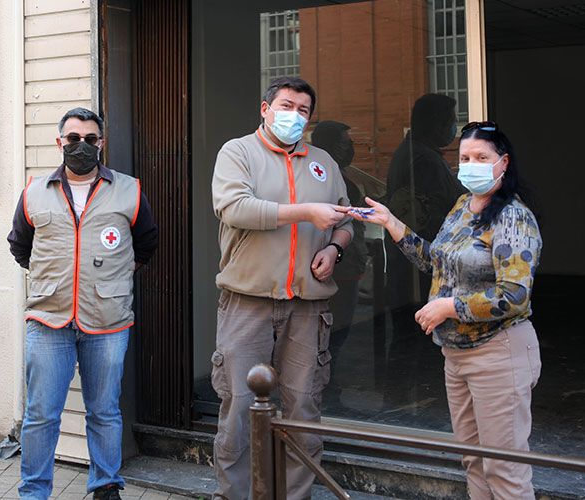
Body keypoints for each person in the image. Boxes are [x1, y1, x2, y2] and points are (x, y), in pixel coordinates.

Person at [349, 120, 542, 499]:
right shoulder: (461, 207)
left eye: (482, 157)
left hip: (498, 352)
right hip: (456, 356)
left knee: (504, 469)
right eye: (465, 157)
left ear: (503, 162)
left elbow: (514, 294)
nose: (471, 164)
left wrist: (450, 306)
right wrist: (392, 223)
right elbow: (436, 262)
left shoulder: (513, 217)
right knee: (473, 460)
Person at [210, 77, 353, 499]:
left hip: (308, 307)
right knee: (238, 408)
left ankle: (295, 496)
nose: (294, 115)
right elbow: (234, 208)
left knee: (303, 411)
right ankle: (236, 495)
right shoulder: (238, 152)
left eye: (303, 110)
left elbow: (344, 221)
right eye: (286, 106)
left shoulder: (323, 161)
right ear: (265, 109)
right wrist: (305, 211)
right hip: (247, 302)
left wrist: (335, 250)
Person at [7, 108, 159, 500]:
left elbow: (146, 243)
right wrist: (55, 279)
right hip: (49, 320)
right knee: (41, 416)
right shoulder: (34, 191)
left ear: (101, 143)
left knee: (104, 412)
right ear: (60, 142)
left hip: (107, 320)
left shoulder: (129, 190)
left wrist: (113, 278)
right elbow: (20, 246)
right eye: (73, 138)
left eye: (90, 139)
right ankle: (34, 492)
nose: (82, 146)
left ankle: (105, 487)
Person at [385, 94, 465, 340]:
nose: (453, 127)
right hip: (422, 270)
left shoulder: (418, 153)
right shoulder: (424, 160)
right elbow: (432, 218)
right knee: (416, 345)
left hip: (414, 268)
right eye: (451, 120)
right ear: (436, 123)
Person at [310, 120, 368, 407]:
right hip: (337, 268)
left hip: (349, 263)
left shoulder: (340, 173)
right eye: (345, 143)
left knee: (339, 330)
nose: (351, 149)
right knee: (333, 331)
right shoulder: (325, 176)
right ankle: (327, 392)